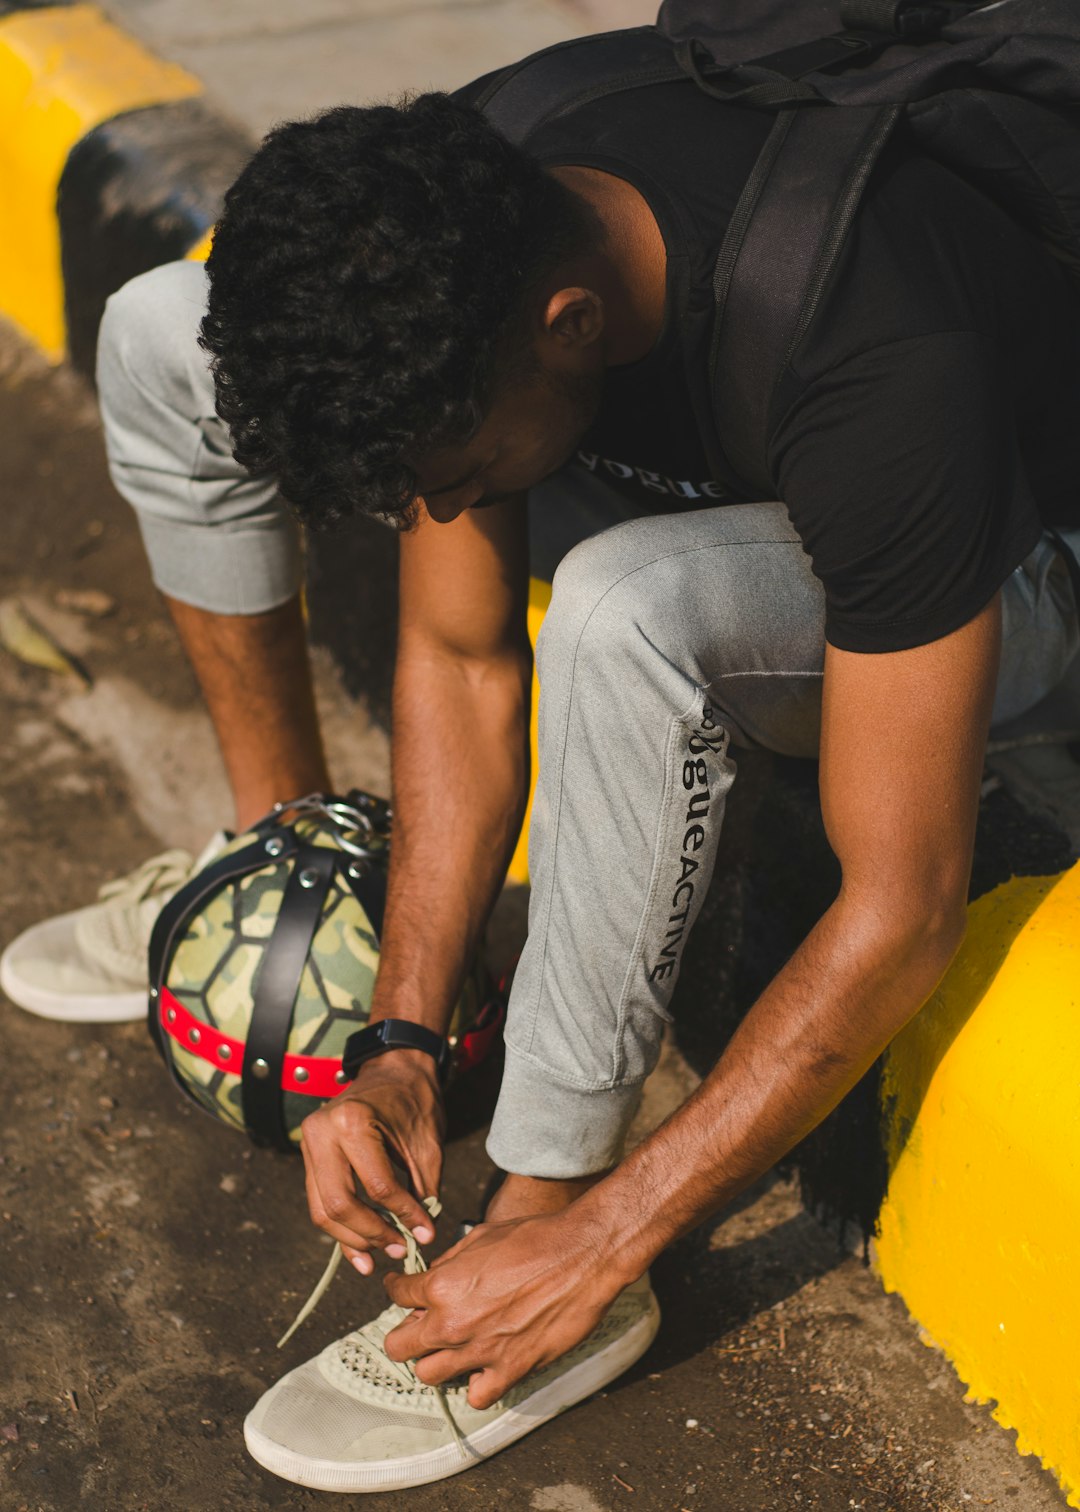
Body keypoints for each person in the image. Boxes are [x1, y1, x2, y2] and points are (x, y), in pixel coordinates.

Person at [5, 51, 1080, 1492]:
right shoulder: (478, 208)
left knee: (633, 611)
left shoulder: (875, 346)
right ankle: (293, 862)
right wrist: (395, 1038)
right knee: (157, 321)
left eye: (445, 475)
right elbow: (459, 660)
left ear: (569, 327)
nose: (434, 511)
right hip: (741, 451)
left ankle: (542, 1228)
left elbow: (902, 906)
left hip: (1012, 560)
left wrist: (607, 1233)